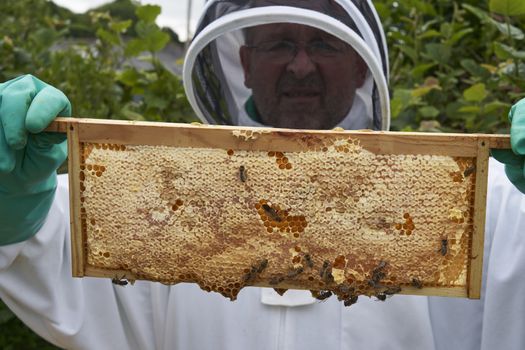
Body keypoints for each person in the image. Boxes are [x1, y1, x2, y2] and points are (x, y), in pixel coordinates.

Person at [0, 1, 524, 349]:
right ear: (244, 62)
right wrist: (16, 209)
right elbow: (58, 244)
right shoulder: (162, 197)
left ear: (362, 65)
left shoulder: (468, 202)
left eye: (322, 44)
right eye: (278, 45)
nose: (300, 66)